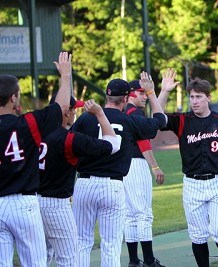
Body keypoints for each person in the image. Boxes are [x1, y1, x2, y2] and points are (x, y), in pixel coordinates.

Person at [71, 72, 166, 267]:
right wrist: (151, 92)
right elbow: (161, 120)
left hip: (84, 184)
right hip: (112, 186)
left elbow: (68, 145)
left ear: (106, 97)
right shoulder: (130, 121)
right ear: (125, 98)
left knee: (82, 242)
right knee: (111, 245)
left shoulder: (85, 119)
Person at [158, 69, 218, 267]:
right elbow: (158, 118)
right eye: (191, 97)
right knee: (198, 235)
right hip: (192, 184)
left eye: (199, 97)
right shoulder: (182, 121)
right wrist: (164, 91)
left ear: (209, 97)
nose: (194, 101)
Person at [0, 52, 72, 266]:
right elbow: (61, 109)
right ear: (13, 97)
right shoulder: (26, 124)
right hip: (23, 204)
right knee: (35, 262)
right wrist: (66, 76)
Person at [38, 96, 121, 266]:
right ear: (66, 111)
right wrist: (100, 114)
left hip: (31, 202)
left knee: (39, 257)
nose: (75, 112)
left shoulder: (35, 132)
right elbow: (113, 145)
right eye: (74, 109)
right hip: (56, 204)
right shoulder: (69, 138)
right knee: (69, 258)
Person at [123, 80, 165, 267]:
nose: (144, 96)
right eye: (140, 93)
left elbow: (156, 119)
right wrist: (155, 167)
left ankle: (134, 261)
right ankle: (149, 261)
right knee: (143, 214)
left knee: (130, 215)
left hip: (122, 166)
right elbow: (144, 142)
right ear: (130, 94)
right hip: (136, 165)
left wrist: (162, 92)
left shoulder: (124, 113)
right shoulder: (134, 113)